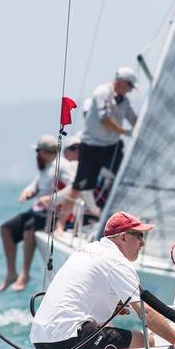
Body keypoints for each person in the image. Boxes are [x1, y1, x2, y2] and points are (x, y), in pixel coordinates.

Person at [31, 211, 175, 349]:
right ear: (123, 237)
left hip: (40, 338)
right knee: (143, 341)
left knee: (107, 327)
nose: (143, 243)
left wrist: (113, 305)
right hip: (67, 336)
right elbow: (146, 313)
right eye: (139, 236)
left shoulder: (85, 250)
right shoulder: (117, 262)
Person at [56, 67, 139, 231]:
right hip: (92, 146)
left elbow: (134, 119)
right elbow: (105, 120)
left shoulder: (124, 101)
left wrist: (140, 130)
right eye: (129, 86)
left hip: (112, 146)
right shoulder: (102, 92)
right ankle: (60, 225)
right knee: (79, 186)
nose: (130, 90)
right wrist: (125, 132)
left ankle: (122, 223)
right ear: (122, 82)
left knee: (122, 180)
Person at [0, 135, 74, 292]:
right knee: (6, 229)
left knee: (29, 228)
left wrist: (53, 199)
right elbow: (36, 183)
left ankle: (25, 274)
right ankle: (11, 273)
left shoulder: (62, 166)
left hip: (51, 212)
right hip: (37, 209)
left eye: (38, 151)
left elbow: (73, 187)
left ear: (44, 152)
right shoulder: (45, 166)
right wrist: (28, 191)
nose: (37, 155)